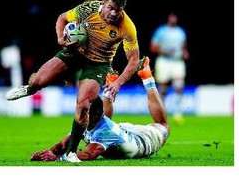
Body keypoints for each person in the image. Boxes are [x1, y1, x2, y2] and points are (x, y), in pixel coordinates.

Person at [5, 0, 140, 158]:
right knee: (38, 81)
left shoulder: (127, 27)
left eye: (118, 10)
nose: (114, 13)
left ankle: (71, 153)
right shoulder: (87, 9)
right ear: (103, 3)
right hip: (75, 52)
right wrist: (60, 38)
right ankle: (29, 88)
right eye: (110, 8)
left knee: (84, 105)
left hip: (98, 64)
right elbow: (62, 18)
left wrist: (117, 83)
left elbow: (134, 60)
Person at [30, 56, 170, 162]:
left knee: (163, 125)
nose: (80, 114)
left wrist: (57, 159)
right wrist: (47, 153)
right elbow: (63, 144)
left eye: (84, 112)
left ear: (94, 115)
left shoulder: (104, 134)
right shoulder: (84, 120)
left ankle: (147, 77)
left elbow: (88, 154)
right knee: (104, 126)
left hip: (142, 140)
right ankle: (109, 85)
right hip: (120, 131)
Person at [149, 12, 189, 124]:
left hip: (177, 62)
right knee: (162, 88)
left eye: (175, 17)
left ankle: (177, 113)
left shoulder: (180, 32)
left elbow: (183, 46)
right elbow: (153, 47)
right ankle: (162, 112)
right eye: (171, 17)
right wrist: (166, 52)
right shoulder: (161, 31)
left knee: (179, 86)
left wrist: (185, 52)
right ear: (168, 19)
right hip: (164, 61)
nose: (173, 19)